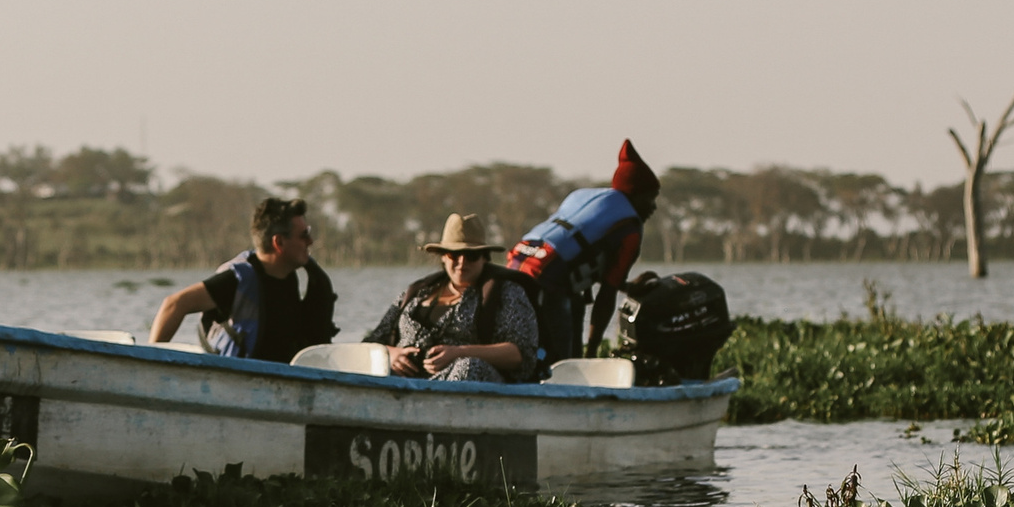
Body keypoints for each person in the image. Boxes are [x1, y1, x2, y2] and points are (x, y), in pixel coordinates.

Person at [504, 139, 659, 373]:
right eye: (650, 198)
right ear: (635, 195)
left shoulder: (583, 195)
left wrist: (625, 286)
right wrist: (592, 353)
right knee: (562, 365)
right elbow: (605, 297)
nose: (653, 207)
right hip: (549, 278)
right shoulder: (630, 227)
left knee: (525, 338)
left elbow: (574, 251)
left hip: (515, 262)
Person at [150, 196, 337, 361]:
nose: (311, 241)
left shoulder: (296, 278)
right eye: (304, 235)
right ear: (278, 242)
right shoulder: (237, 280)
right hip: (236, 379)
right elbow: (174, 304)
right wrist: (151, 361)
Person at [361, 212, 538, 383]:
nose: (462, 262)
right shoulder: (417, 293)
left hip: (466, 381)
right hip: (404, 381)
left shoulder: (506, 293)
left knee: (469, 367)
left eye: (471, 256)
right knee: (374, 364)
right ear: (443, 257)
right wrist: (391, 354)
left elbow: (519, 354)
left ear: (484, 258)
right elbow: (370, 343)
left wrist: (459, 352)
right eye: (454, 255)